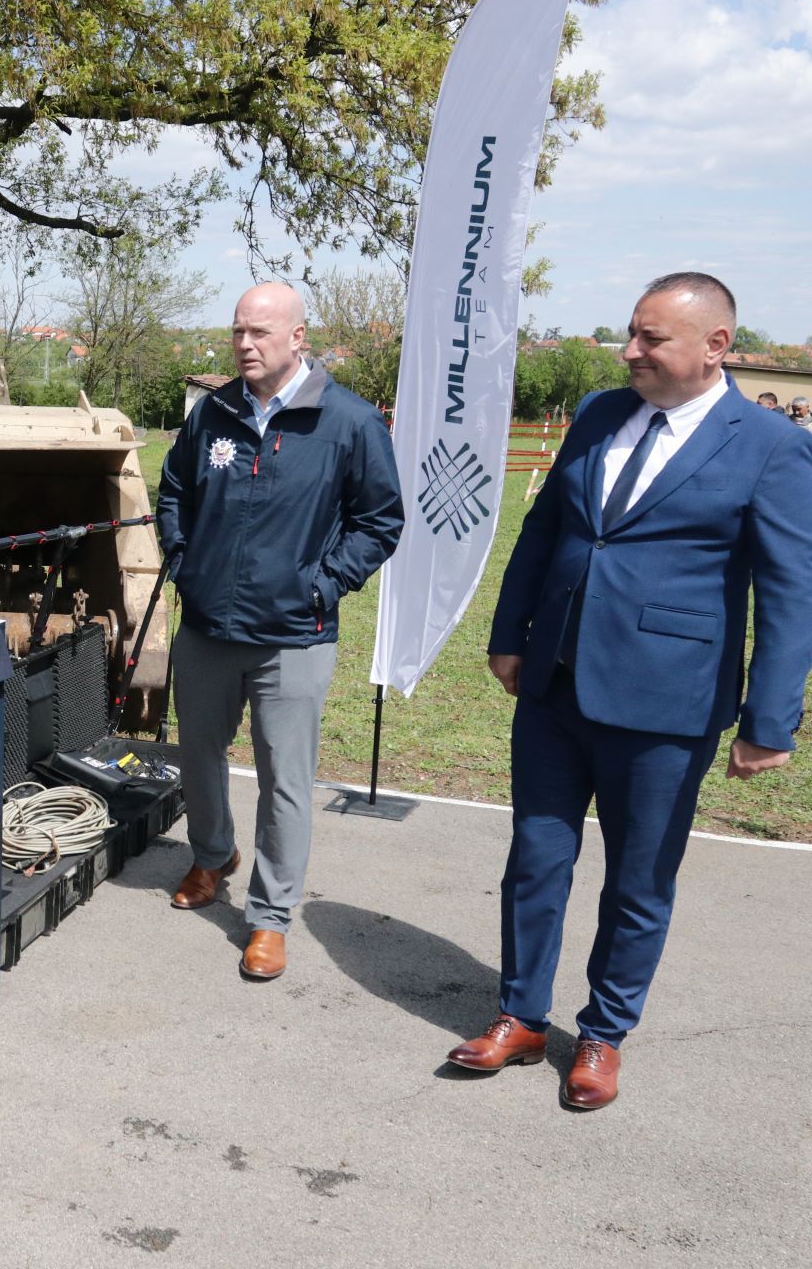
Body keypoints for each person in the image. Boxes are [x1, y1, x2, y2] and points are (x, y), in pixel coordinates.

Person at [452, 273, 812, 1110]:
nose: (630, 352)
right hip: (556, 684)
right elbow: (547, 526)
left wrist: (769, 720)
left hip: (666, 704)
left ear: (716, 346)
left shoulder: (770, 445)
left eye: (652, 339)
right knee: (535, 861)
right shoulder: (600, 412)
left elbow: (791, 592)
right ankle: (520, 1016)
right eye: (632, 333)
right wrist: (511, 635)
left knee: (638, 881)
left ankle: (604, 1034)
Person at [154, 283, 403, 980]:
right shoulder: (213, 413)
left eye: (259, 332)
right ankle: (212, 857)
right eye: (238, 331)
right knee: (197, 754)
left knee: (284, 779)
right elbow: (174, 491)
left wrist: (323, 585)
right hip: (208, 624)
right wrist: (184, 561)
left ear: (298, 337)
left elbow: (380, 521)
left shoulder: (349, 422)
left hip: (294, 634)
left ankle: (269, 917)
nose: (244, 344)